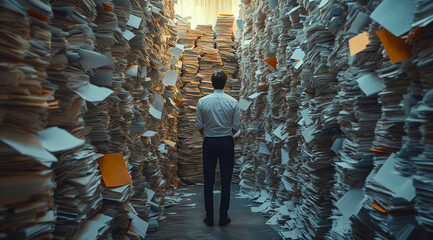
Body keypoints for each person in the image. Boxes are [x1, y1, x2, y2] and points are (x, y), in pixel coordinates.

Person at [195, 70, 241, 226]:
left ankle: (209, 217)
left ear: (211, 82)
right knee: (226, 180)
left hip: (209, 142)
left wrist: (208, 134)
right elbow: (236, 126)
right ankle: (223, 217)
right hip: (227, 141)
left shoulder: (203, 101)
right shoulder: (233, 102)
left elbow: (199, 125)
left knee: (209, 180)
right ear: (226, 82)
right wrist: (226, 133)